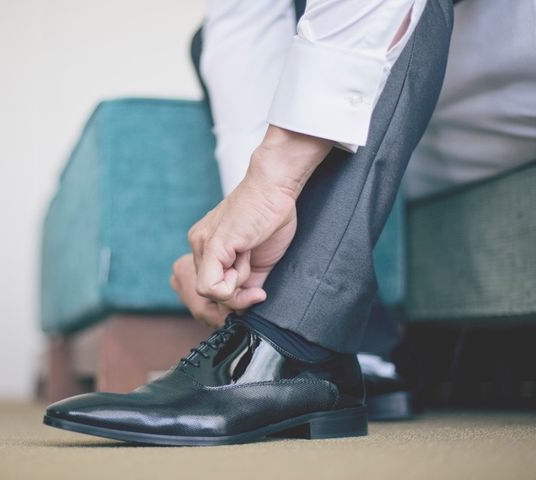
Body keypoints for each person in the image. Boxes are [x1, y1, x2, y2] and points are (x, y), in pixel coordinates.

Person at [43, 0, 535, 445]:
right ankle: (324, 348)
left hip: (495, 82)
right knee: (222, 36)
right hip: (394, 121)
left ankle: (296, 343)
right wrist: (252, 242)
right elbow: (244, 20)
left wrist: (273, 177)